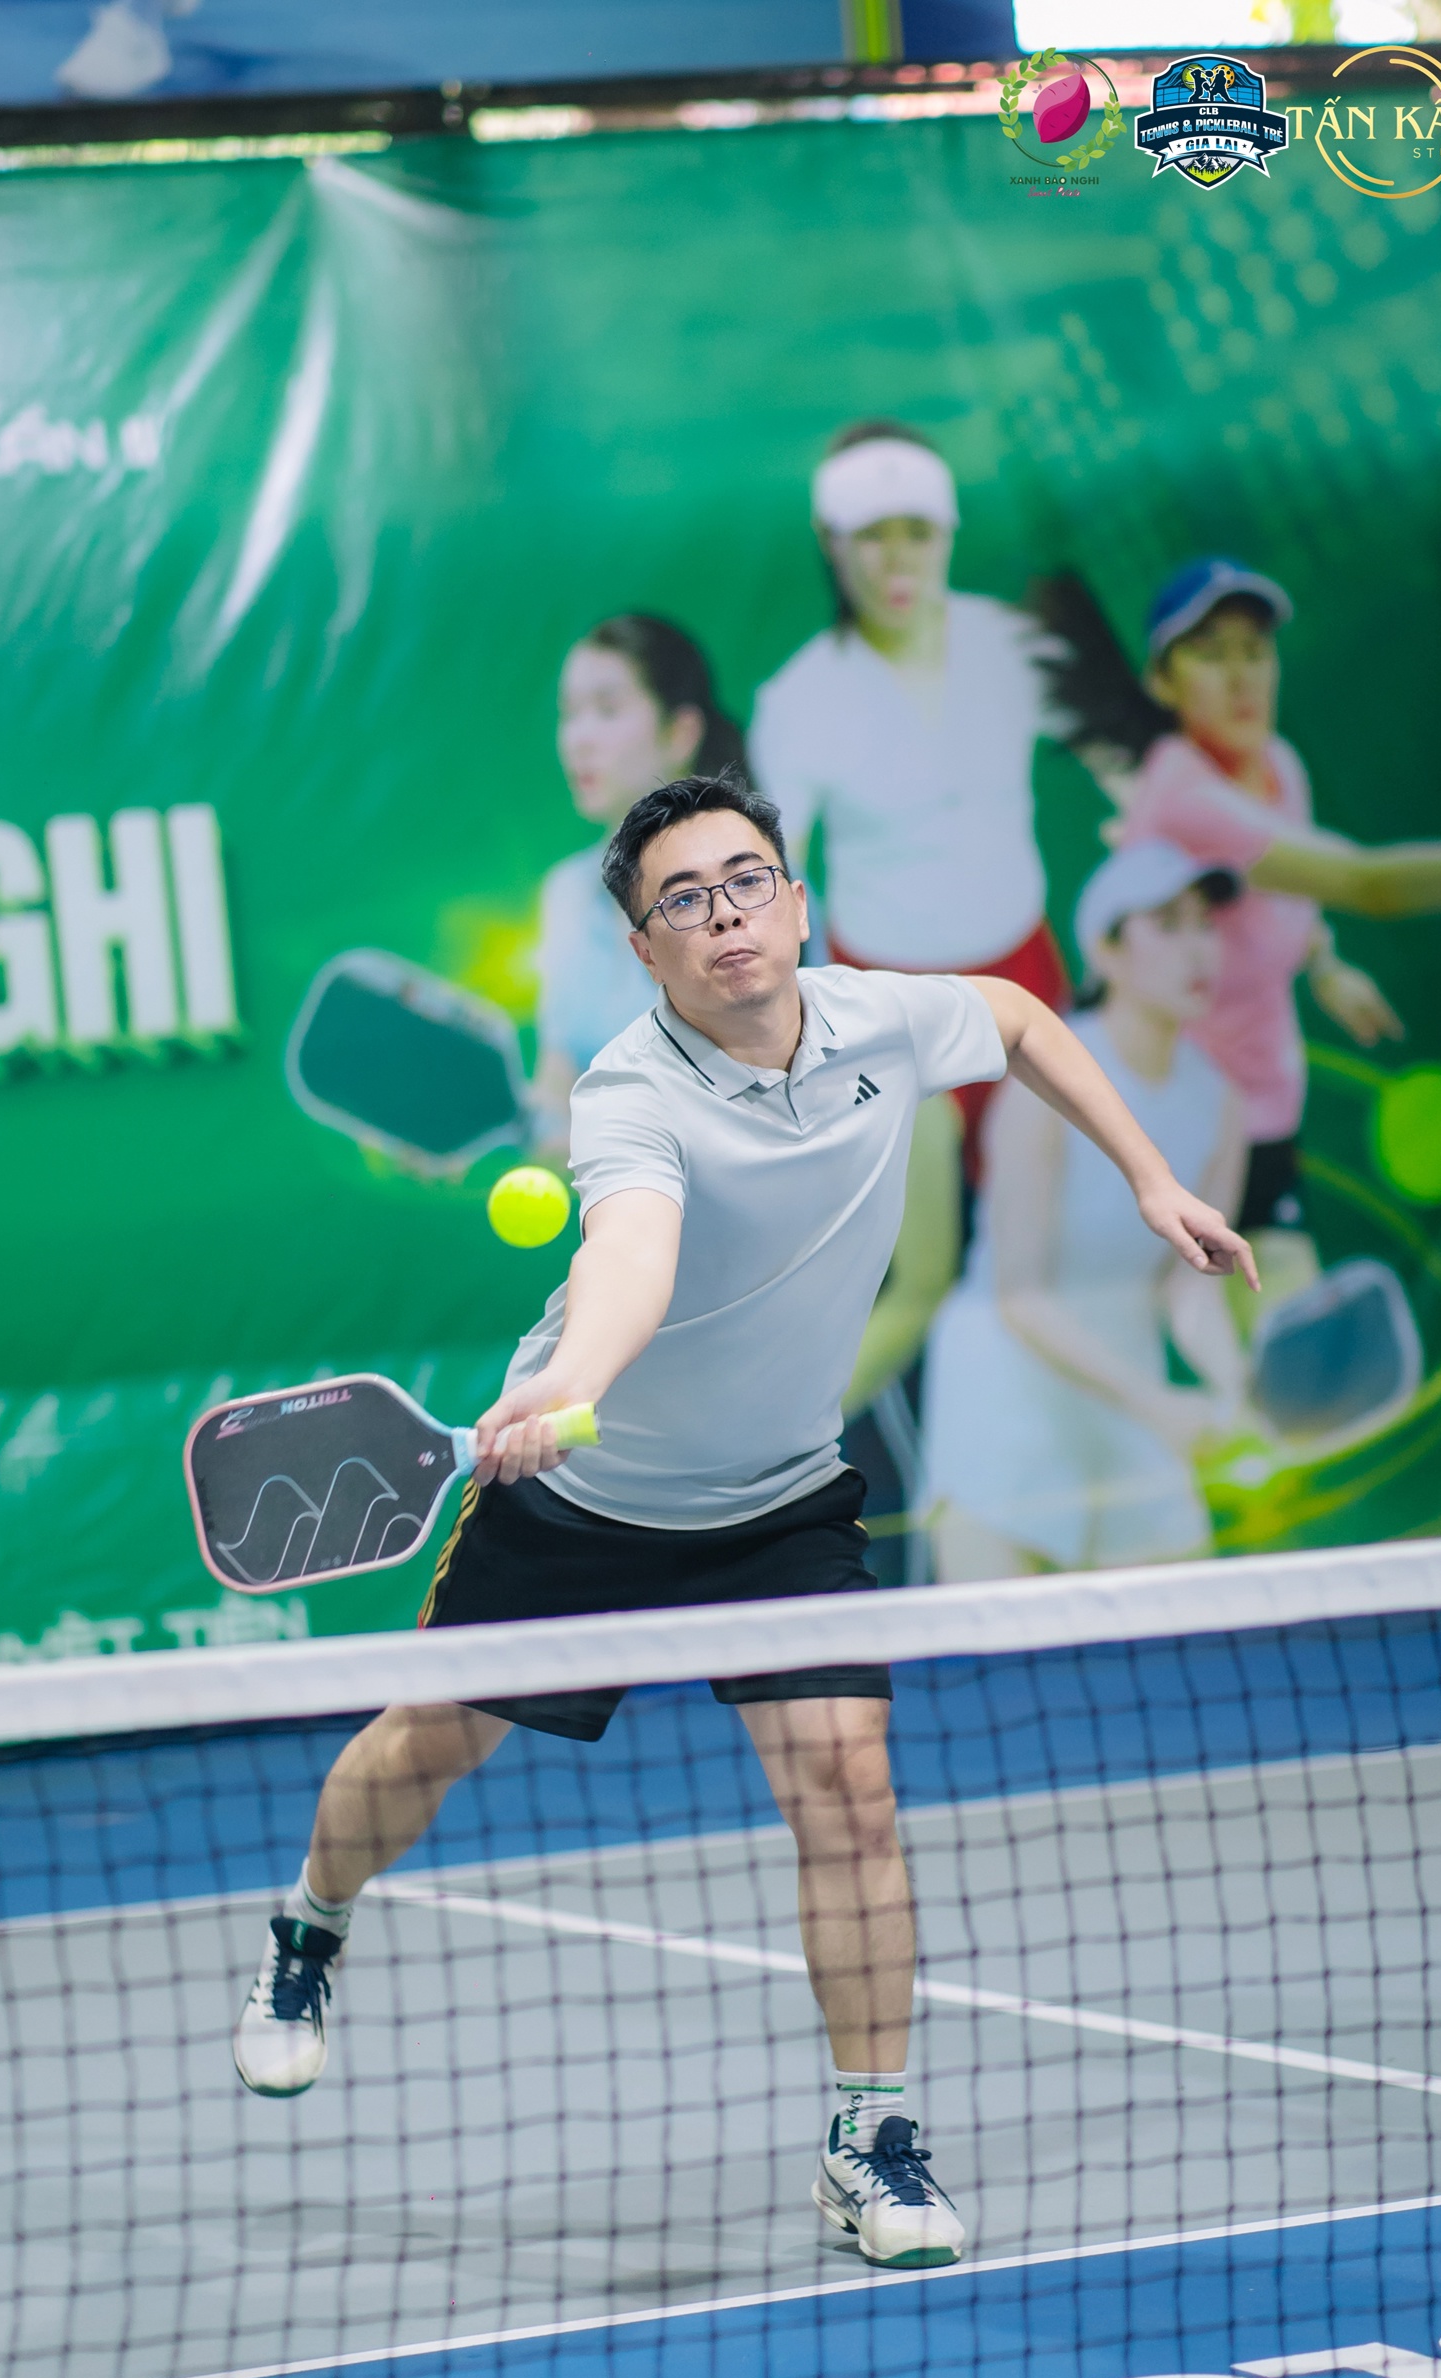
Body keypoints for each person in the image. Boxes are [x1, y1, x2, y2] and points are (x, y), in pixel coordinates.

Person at [232, 775, 1256, 2271]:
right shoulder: (627, 1094)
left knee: (849, 1789)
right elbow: (631, 1258)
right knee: (426, 1746)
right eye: (684, 899)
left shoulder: (880, 1022)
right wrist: (570, 1386)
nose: (724, 914)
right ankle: (309, 1929)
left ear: (794, 898)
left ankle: (869, 2138)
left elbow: (1020, 1020)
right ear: (644, 946)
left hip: (777, 1498)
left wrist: (1152, 1179)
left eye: (745, 880)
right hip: (583, 1496)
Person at [1045, 557, 1441, 1310]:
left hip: (1261, 1109)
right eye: (1211, 654)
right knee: (1263, 1328)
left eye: (1254, 650)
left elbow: (1292, 890)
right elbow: (1368, 884)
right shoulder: (1184, 795)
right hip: (1181, 1126)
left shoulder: (1278, 768)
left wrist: (1324, 961)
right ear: (1163, 681)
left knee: (1274, 1335)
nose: (1241, 676)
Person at [750, 421, 1069, 1180]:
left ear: (949, 534)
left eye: (917, 533)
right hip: (886, 1009)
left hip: (1028, 979)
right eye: (871, 536)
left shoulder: (1018, 649)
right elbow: (771, 880)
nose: (897, 560)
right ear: (830, 541)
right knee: (924, 1225)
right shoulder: (797, 701)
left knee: (1045, 1208)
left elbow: (1140, 774)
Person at [922, 844, 1249, 1580]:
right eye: (1167, 925)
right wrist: (1156, 1405)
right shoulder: (1044, 1083)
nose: (1197, 948)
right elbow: (1021, 1299)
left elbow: (1189, 1286)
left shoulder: (1219, 1101)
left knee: (1181, 1626)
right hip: (1004, 1382)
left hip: (1127, 1383)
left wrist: (1231, 1392)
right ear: (1106, 953)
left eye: (1205, 924)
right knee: (998, 1644)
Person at [534, 614, 747, 1149]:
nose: (578, 739)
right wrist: (474, 1141)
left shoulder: (749, 891)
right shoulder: (566, 893)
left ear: (681, 733)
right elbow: (556, 1093)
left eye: (606, 710)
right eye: (569, 713)